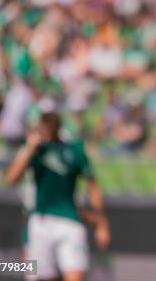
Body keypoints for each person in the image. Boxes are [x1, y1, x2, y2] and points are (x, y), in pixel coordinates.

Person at [7, 112, 111, 281]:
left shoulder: (74, 151)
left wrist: (102, 223)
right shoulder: (36, 152)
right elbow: (12, 178)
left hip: (69, 221)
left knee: (75, 275)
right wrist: (30, 148)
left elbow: (94, 187)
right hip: (41, 221)